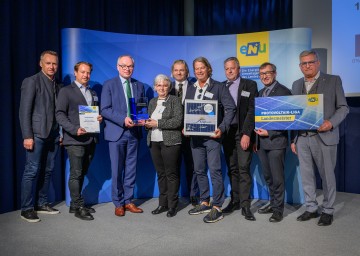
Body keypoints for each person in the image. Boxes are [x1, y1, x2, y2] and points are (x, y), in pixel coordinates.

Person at [291, 50, 349, 226]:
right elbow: (294, 113)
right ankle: (311, 208)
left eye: (310, 62)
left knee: (327, 176)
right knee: (307, 176)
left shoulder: (333, 80)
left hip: (325, 136)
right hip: (302, 138)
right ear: (300, 66)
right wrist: (294, 139)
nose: (307, 66)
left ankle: (328, 210)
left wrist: (330, 123)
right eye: (303, 63)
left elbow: (343, 108)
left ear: (318, 63)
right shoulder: (295, 84)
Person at [186, 57, 236, 223]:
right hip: (195, 138)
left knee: (215, 171)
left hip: (212, 137)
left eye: (202, 68)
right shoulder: (191, 88)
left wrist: (221, 128)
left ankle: (217, 207)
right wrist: (185, 127)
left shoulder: (219, 87)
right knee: (199, 170)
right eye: (196, 68)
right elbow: (188, 110)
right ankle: (205, 201)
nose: (199, 71)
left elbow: (230, 109)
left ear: (208, 69)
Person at [19, 50, 62, 222]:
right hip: (36, 134)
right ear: (41, 63)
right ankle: (26, 208)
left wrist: (59, 133)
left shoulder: (57, 85)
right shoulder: (31, 81)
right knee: (31, 171)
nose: (52, 66)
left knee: (48, 170)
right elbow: (24, 112)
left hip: (53, 135)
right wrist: (27, 135)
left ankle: (41, 203)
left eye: (55, 64)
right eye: (48, 63)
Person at [56, 61, 102, 221]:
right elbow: (60, 114)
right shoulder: (66, 91)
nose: (86, 75)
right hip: (74, 139)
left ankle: (75, 204)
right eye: (82, 72)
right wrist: (74, 129)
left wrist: (98, 118)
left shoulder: (92, 92)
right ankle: (78, 206)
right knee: (76, 173)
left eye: (88, 72)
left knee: (82, 172)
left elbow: (93, 112)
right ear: (75, 72)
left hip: (91, 138)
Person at [101, 55, 145, 217]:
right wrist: (122, 119)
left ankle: (128, 201)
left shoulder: (139, 86)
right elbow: (104, 109)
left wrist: (141, 119)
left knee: (131, 169)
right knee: (117, 170)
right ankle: (118, 203)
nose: (127, 69)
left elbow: (141, 108)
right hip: (116, 133)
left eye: (130, 66)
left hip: (134, 133)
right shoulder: (109, 85)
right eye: (124, 66)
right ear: (117, 67)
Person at [221, 57, 258, 221]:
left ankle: (245, 205)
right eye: (227, 68)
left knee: (243, 168)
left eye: (232, 68)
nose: (230, 71)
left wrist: (247, 133)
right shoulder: (221, 86)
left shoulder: (249, 85)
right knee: (232, 168)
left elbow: (252, 110)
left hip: (243, 132)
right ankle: (235, 201)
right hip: (227, 134)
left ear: (239, 69)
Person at [253, 62, 292, 222]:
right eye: (261, 74)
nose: (264, 76)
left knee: (277, 178)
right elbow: (257, 119)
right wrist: (256, 140)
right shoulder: (261, 92)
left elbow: (288, 119)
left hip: (276, 142)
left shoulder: (284, 92)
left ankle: (278, 210)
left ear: (275, 73)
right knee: (268, 176)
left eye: (267, 73)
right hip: (261, 143)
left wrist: (271, 132)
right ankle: (272, 202)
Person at [145, 74, 183, 217]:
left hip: (171, 142)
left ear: (169, 87)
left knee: (171, 174)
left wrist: (157, 123)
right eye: (159, 85)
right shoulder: (152, 102)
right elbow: (149, 122)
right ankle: (163, 203)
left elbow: (177, 121)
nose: (162, 88)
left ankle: (173, 205)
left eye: (165, 85)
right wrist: (146, 124)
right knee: (161, 174)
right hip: (154, 142)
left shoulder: (175, 101)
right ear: (155, 87)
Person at [170, 59, 199, 205]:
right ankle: (172, 198)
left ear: (187, 72)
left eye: (182, 70)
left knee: (192, 166)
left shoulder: (196, 87)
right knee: (173, 167)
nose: (179, 72)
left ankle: (193, 195)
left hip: (190, 134)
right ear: (172, 72)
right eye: (176, 70)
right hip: (172, 135)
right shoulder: (167, 88)